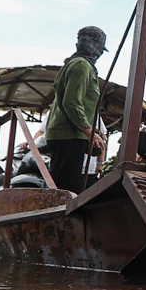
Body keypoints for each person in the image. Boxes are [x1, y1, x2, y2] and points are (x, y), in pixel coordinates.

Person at [45, 25, 107, 193]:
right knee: (68, 191)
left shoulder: (73, 63)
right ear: (96, 47)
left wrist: (91, 129)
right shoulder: (82, 66)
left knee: (66, 187)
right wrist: (87, 130)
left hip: (67, 135)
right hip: (69, 136)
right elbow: (72, 101)